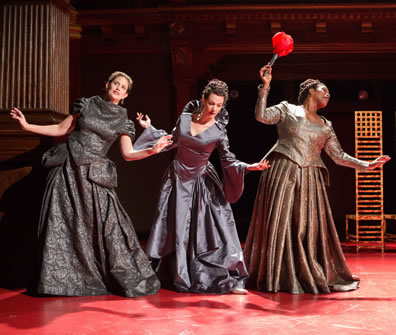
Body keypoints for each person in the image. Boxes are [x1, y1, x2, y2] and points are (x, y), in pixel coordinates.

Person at [10, 71, 172, 297]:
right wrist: (28, 126)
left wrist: (152, 151)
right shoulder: (85, 105)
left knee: (106, 228)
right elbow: (61, 129)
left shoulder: (123, 121)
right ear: (107, 84)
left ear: (125, 95)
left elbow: (128, 154)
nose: (118, 88)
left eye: (123, 87)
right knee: (60, 225)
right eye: (115, 83)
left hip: (94, 175)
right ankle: (57, 282)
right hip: (67, 169)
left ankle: (102, 276)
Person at [243, 64, 391, 294]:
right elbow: (261, 116)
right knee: (282, 223)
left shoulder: (326, 125)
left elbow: (338, 156)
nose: (328, 93)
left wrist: (366, 164)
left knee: (306, 226)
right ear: (310, 90)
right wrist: (266, 86)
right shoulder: (287, 109)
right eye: (324, 89)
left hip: (311, 178)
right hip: (283, 172)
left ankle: (305, 270)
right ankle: (277, 274)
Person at [133, 79, 270, 294]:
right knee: (177, 229)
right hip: (177, 179)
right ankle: (179, 274)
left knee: (210, 230)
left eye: (219, 105)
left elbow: (228, 160)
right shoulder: (185, 119)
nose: (214, 108)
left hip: (202, 182)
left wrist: (250, 167)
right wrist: (149, 129)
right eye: (212, 103)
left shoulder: (218, 130)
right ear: (204, 100)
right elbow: (172, 140)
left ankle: (220, 277)